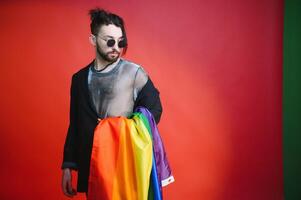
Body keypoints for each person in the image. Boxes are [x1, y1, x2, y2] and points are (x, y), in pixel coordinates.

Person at [61, 8, 163, 197]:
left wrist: (120, 127)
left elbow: (155, 109)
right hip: (93, 168)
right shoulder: (79, 79)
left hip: (123, 165)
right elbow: (75, 124)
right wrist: (68, 166)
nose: (116, 46)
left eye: (120, 41)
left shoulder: (134, 74)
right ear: (93, 40)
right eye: (109, 41)